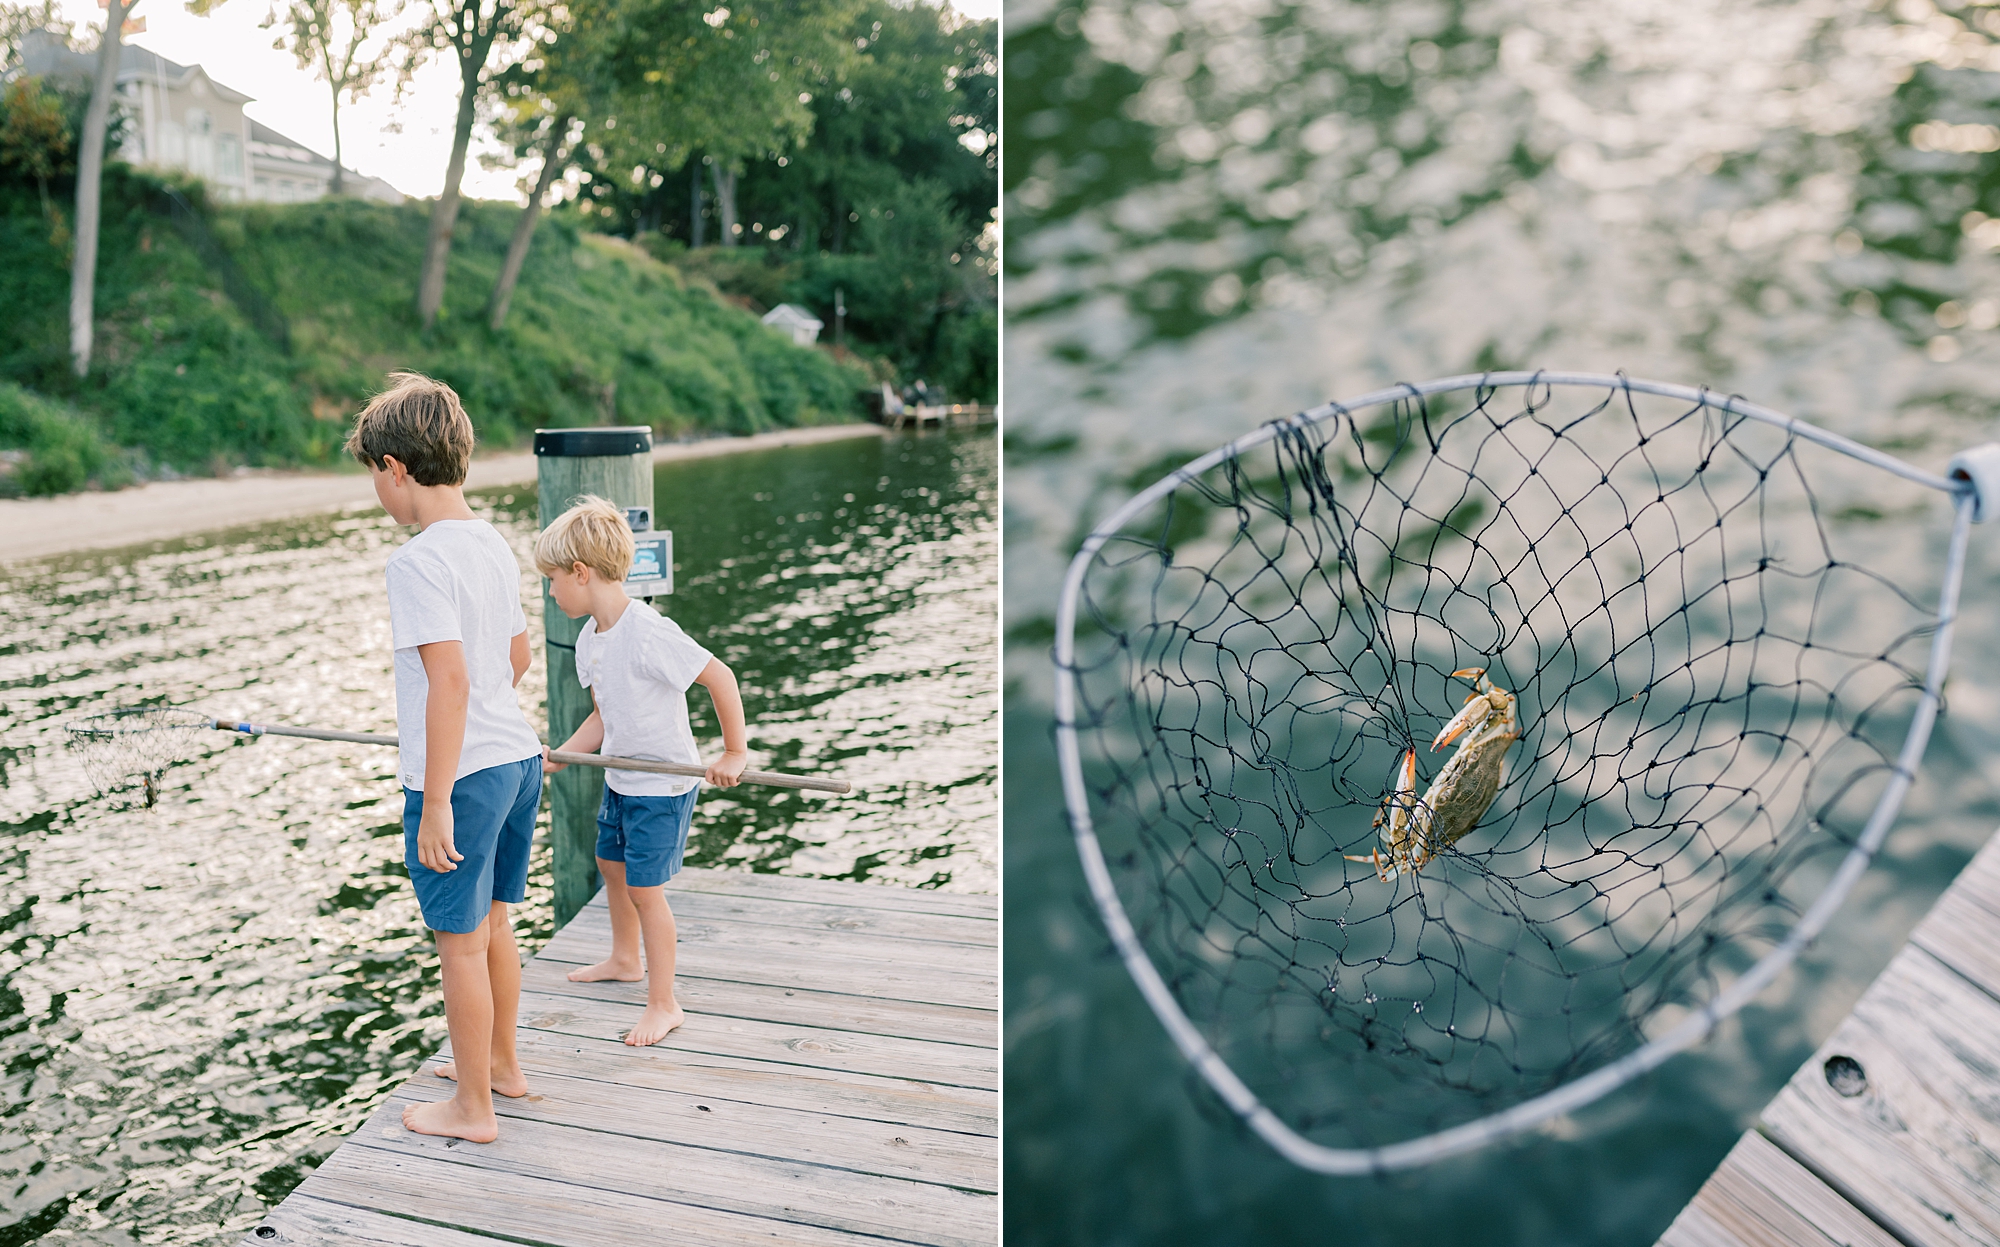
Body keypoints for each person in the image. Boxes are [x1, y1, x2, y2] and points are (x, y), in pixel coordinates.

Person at [345, 372, 544, 1144]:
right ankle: (501, 1066)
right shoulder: (491, 541)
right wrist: (490, 723)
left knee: (457, 946)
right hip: (517, 761)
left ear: (395, 467)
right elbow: (516, 658)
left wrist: (433, 800)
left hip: (461, 779)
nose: (379, 495)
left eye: (374, 478)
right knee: (494, 923)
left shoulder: (419, 560)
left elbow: (450, 680)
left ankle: (473, 1107)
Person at [535, 495, 749, 1045]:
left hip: (662, 784)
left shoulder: (649, 631)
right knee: (611, 864)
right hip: (622, 779)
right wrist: (562, 753)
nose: (551, 590)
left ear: (581, 573)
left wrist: (733, 752)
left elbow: (719, 677)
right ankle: (625, 959)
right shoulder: (590, 641)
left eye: (553, 579)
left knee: (646, 890)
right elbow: (604, 717)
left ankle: (664, 1002)